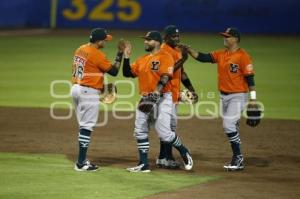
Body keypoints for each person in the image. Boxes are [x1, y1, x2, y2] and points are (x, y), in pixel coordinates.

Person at [181, 27, 260, 171]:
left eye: (227, 36)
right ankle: (237, 155)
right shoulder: (221, 54)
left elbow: (250, 79)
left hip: (238, 96)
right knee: (231, 125)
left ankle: (238, 158)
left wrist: (253, 100)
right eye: (224, 36)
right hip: (224, 96)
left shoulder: (243, 56)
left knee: (228, 125)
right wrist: (190, 50)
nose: (224, 38)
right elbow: (203, 57)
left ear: (236, 39)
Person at [123, 31, 193, 172]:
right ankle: (143, 164)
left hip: (163, 98)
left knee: (165, 133)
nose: (145, 42)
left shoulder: (165, 56)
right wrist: (126, 57)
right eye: (145, 39)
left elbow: (166, 76)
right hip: (146, 98)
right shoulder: (142, 59)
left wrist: (156, 92)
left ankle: (184, 152)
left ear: (157, 42)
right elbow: (127, 73)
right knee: (140, 130)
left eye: (148, 40)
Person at [71, 28, 125, 171]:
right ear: (99, 41)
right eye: (105, 40)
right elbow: (113, 71)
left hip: (76, 88)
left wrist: (99, 84)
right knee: (87, 126)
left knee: (83, 125)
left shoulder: (80, 48)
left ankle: (82, 160)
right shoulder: (97, 54)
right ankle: (81, 163)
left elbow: (89, 69)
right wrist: (120, 53)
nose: (106, 42)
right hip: (87, 91)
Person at [156, 25, 198, 169]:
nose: (177, 39)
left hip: (173, 95)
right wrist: (185, 58)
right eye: (173, 36)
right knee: (168, 128)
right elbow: (170, 71)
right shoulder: (163, 51)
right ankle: (167, 158)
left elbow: (181, 72)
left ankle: (163, 157)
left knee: (168, 128)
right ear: (165, 38)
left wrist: (191, 88)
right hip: (165, 94)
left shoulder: (177, 50)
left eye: (178, 36)